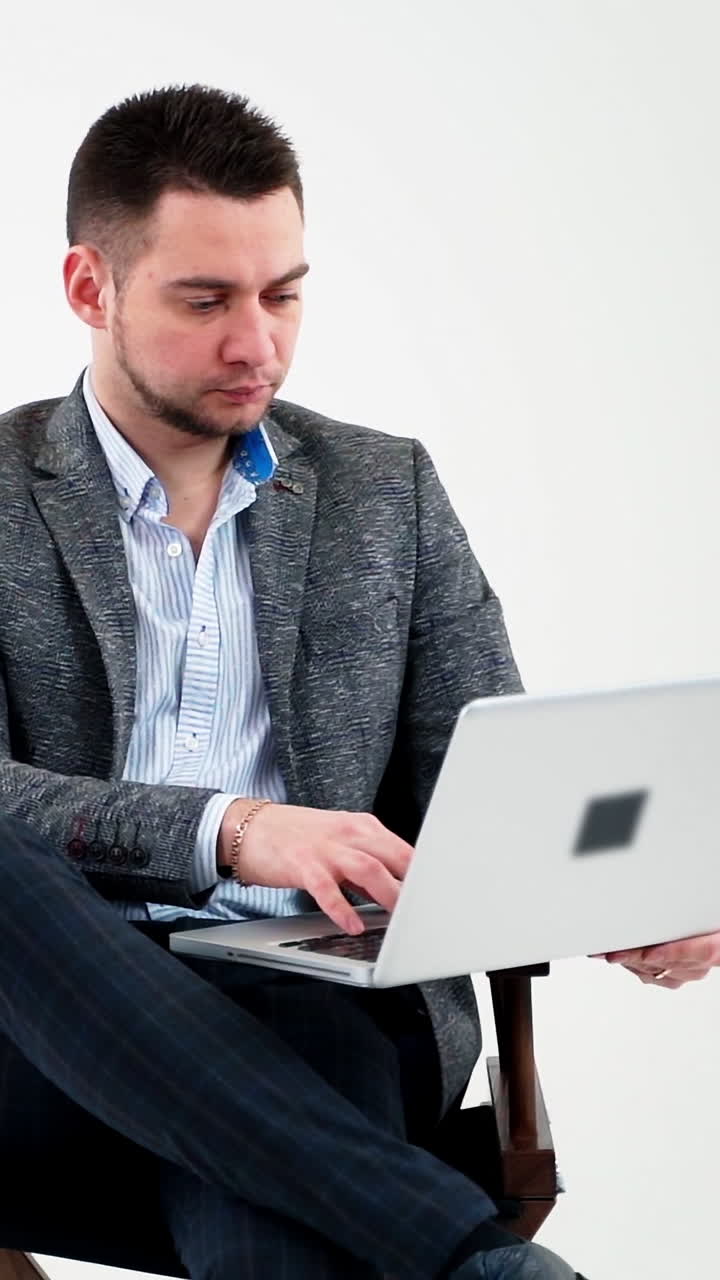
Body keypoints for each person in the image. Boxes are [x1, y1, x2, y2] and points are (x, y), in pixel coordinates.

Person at [0, 81, 714, 1280]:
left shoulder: (385, 491)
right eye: (206, 300)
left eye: (284, 294)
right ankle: (468, 1253)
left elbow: (493, 782)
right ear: (91, 288)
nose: (258, 343)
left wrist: (614, 891)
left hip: (313, 1009)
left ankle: (455, 1254)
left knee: (279, 1202)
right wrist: (232, 831)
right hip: (42, 1050)